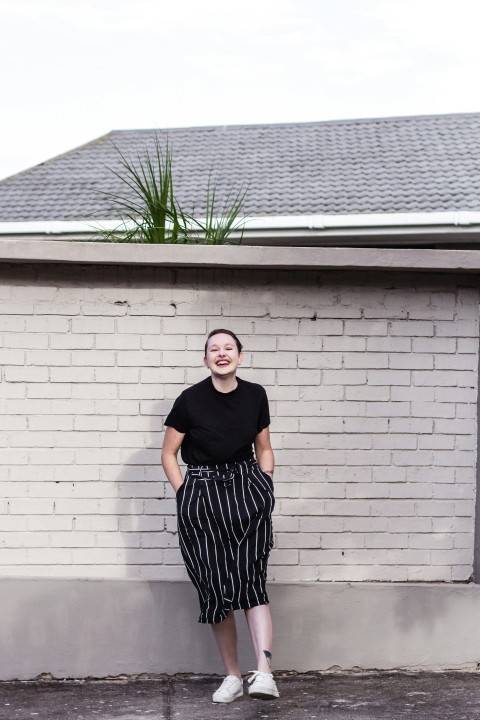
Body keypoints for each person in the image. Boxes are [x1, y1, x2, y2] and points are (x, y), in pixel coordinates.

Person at [161, 328, 279, 703]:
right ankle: (232, 676)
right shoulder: (189, 400)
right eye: (214, 349)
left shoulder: (255, 395)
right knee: (214, 590)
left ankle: (264, 674)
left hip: (247, 488)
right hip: (202, 493)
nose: (222, 353)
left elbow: (264, 447)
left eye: (229, 348)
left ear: (240, 356)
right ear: (206, 358)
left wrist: (265, 486)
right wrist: (186, 494)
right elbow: (168, 453)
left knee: (251, 581)